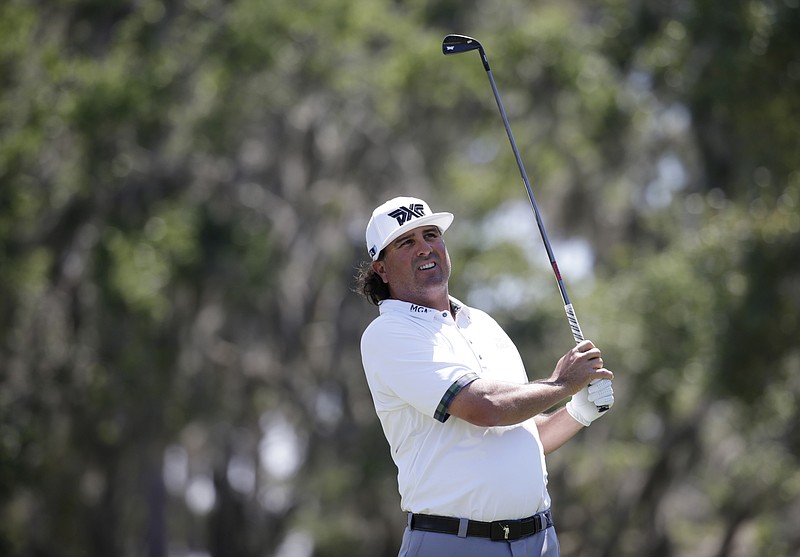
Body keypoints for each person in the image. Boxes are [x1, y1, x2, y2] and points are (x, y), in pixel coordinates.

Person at [356, 196, 615, 557]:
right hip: (454, 543)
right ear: (381, 269)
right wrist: (560, 384)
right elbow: (485, 407)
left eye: (431, 235)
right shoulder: (389, 333)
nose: (424, 248)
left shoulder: (482, 323)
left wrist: (578, 412)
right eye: (406, 242)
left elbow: (520, 430)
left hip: (539, 541)